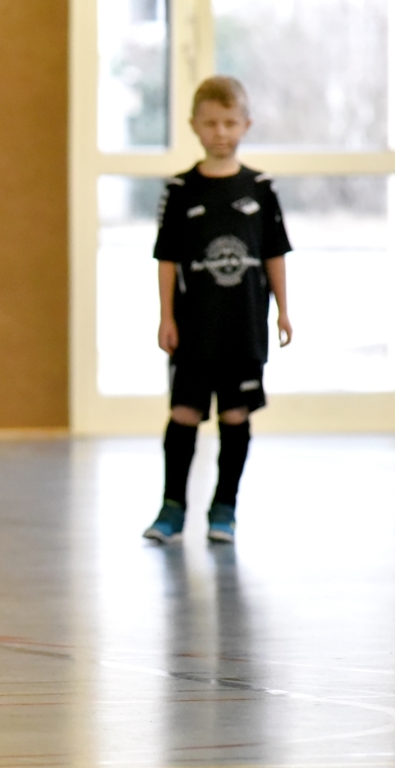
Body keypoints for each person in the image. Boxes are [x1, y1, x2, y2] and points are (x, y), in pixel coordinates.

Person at [143, 75, 293, 545]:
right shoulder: (180, 189)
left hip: (244, 327)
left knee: (235, 415)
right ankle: (172, 508)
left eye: (230, 122)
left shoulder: (261, 189)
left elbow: (274, 254)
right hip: (194, 328)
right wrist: (166, 317)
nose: (220, 132)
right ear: (194, 126)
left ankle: (224, 508)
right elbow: (167, 260)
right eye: (211, 123)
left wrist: (283, 311)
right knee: (184, 412)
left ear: (246, 125)